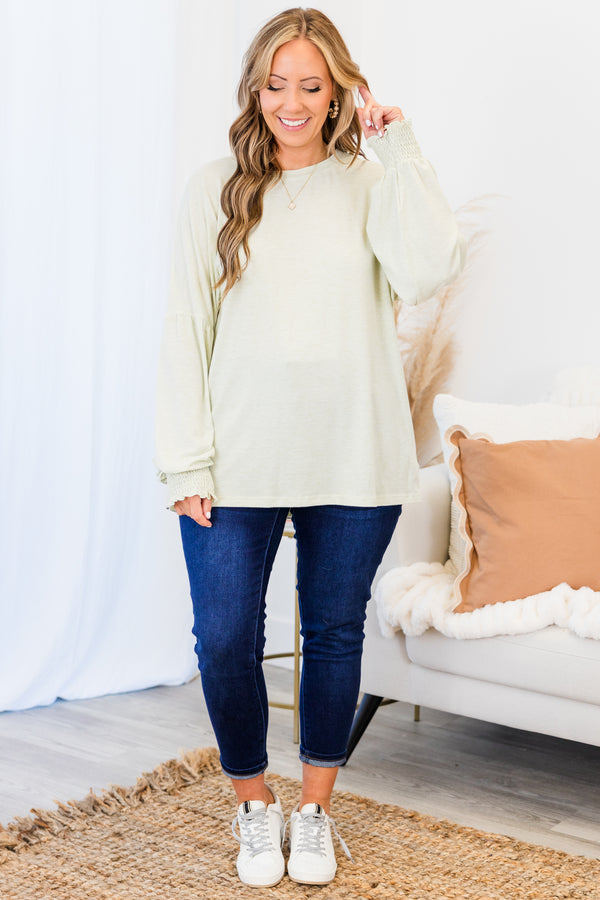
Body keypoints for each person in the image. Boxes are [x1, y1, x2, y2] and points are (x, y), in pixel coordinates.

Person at [154, 6, 466, 889]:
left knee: (333, 634)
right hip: (236, 458)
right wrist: (185, 462)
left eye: (311, 86)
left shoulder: (371, 182)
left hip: (353, 453)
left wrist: (399, 144)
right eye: (276, 85)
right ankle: (255, 804)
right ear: (255, 89)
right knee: (223, 638)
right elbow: (184, 329)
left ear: (338, 94)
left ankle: (316, 813)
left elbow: (431, 268)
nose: (291, 103)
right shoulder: (215, 189)